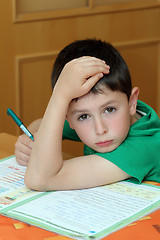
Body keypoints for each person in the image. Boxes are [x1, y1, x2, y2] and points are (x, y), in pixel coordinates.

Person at [15, 39, 160, 191]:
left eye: (109, 110)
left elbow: (40, 180)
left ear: (132, 102)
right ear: (68, 117)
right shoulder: (118, 115)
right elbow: (38, 124)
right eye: (83, 116)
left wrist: (60, 96)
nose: (100, 129)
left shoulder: (144, 147)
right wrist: (32, 141)